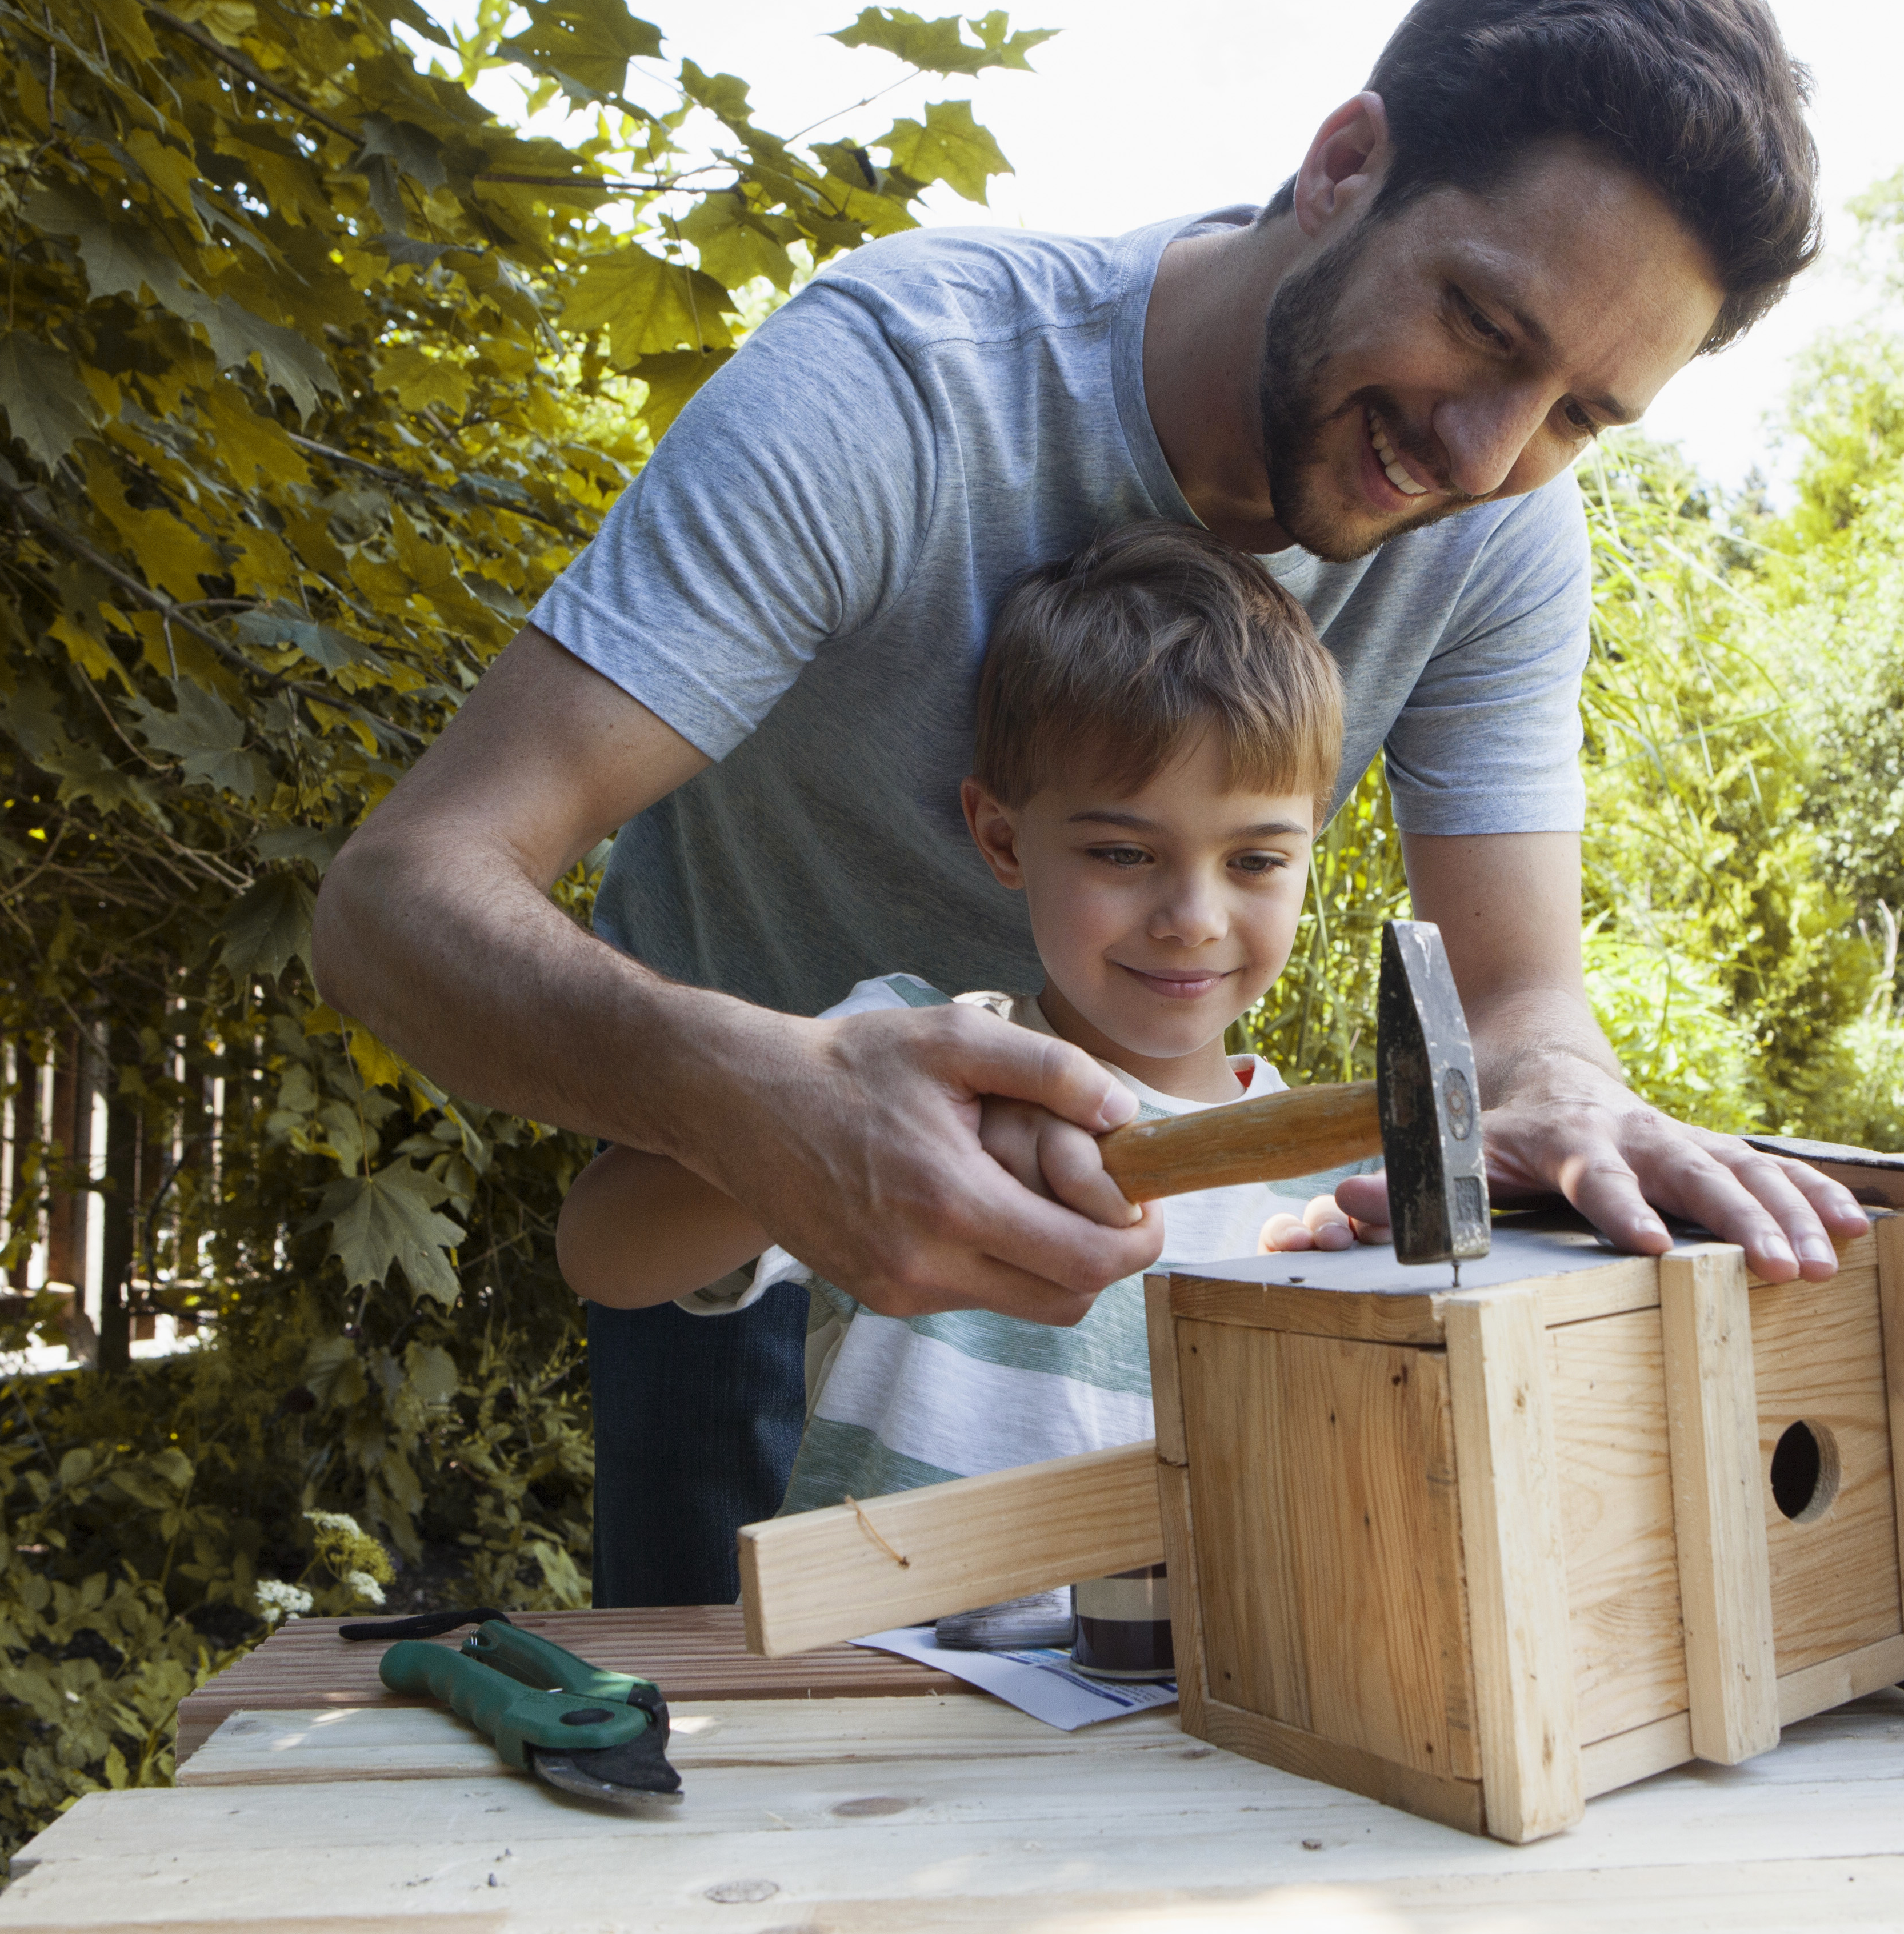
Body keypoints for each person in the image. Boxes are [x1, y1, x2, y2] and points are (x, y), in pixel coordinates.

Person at [311, 0, 1873, 1606]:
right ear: (1347, 165)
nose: (1486, 452)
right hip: (741, 1219)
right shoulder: (900, 390)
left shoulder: (1502, 533)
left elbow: (1513, 1001)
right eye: (1485, 329)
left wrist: (1561, 1084)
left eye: (1580, 413)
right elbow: (400, 901)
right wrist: (767, 1103)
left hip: (1149, 1278)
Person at [557, 524, 1360, 1510]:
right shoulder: (905, 1059)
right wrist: (838, 1133)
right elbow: (603, 1253)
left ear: (1312, 848)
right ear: (1002, 837)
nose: (1193, 921)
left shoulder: (1337, 1196)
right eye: (1122, 854)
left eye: (1256, 861)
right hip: (876, 1659)